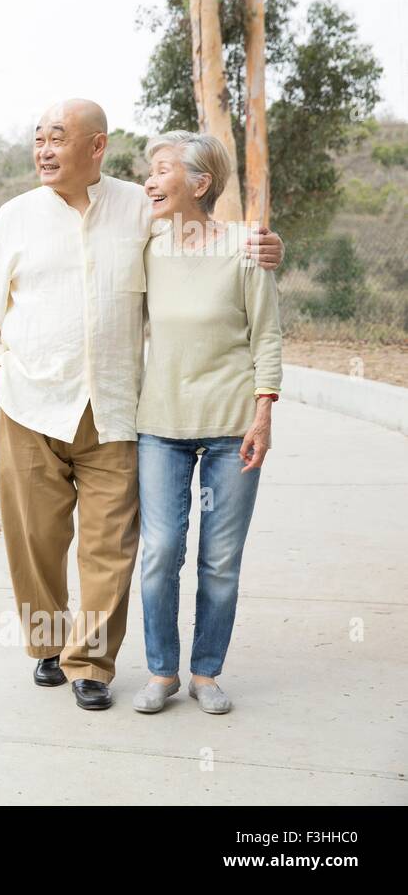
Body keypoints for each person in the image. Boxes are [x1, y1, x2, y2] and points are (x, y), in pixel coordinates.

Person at [0, 99, 283, 710]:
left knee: (112, 545)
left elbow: (209, 236)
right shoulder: (14, 217)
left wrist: (268, 245)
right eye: (39, 138)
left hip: (114, 408)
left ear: (96, 146)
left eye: (58, 137)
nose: (44, 149)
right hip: (31, 402)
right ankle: (46, 645)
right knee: (36, 539)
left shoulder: (141, 208)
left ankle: (91, 663)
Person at [130, 131, 281, 716]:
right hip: (161, 425)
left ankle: (206, 672)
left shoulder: (246, 248)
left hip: (231, 426)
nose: (149, 180)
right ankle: (162, 671)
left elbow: (267, 335)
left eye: (162, 170)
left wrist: (263, 413)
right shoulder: (146, 244)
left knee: (220, 558)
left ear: (199, 183)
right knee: (162, 550)